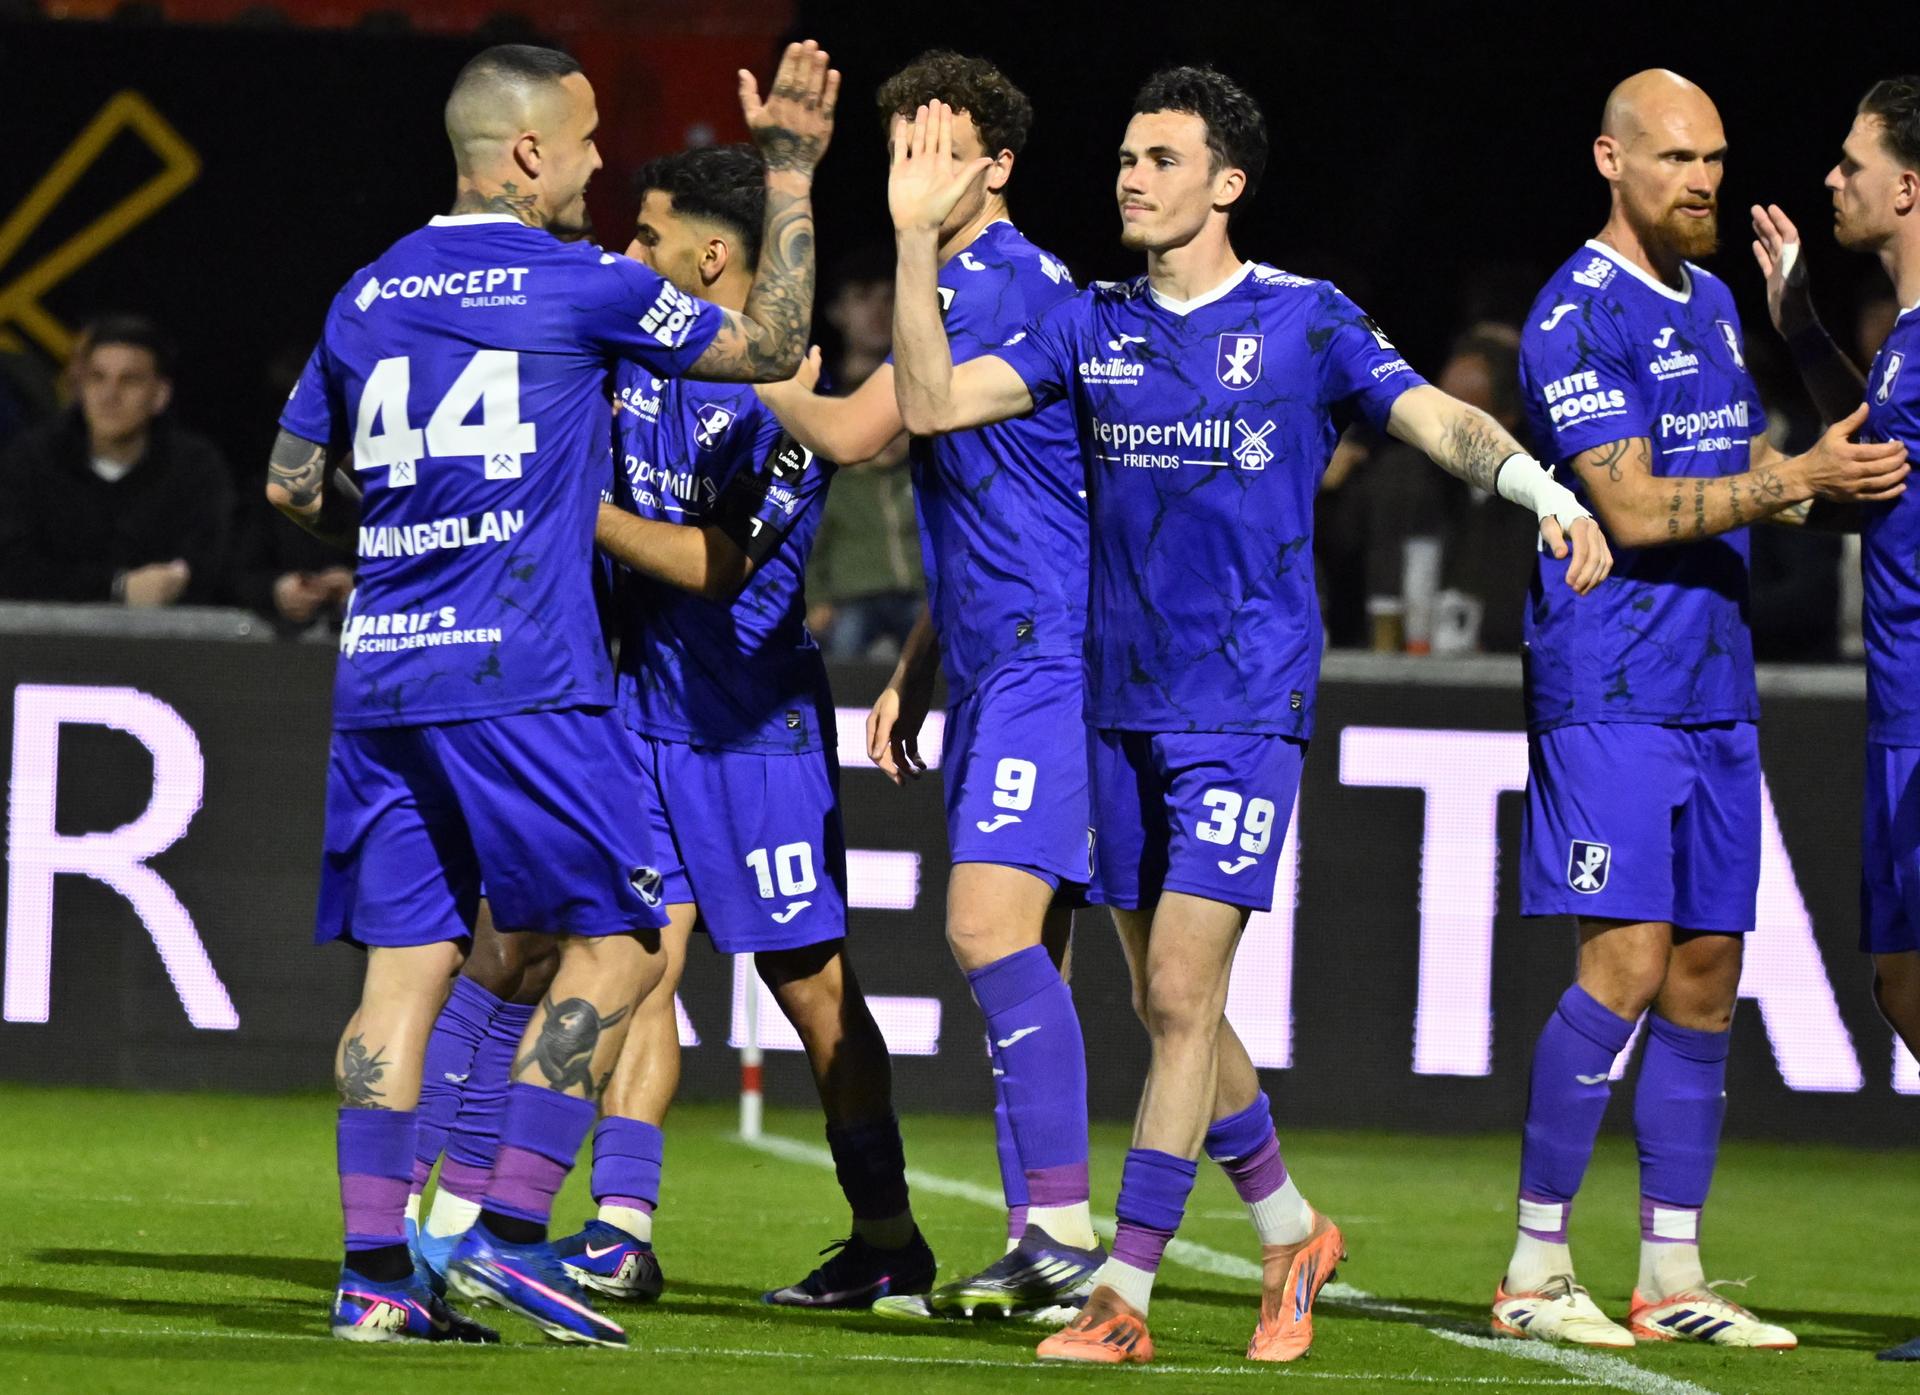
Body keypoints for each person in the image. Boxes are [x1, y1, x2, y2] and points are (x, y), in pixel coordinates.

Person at [886, 68, 1612, 1365]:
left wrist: (1536, 485)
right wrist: (905, 234)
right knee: (1172, 1003)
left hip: (1241, 703)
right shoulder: (1087, 322)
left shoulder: (1302, 320)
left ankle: (1124, 1292)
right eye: (1122, 156)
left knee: (1176, 987)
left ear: (1226, 183)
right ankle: (1290, 1224)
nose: (1129, 177)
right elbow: (931, 405)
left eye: (1159, 157)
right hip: (1117, 702)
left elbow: (1429, 414)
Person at [266, 40, 835, 1347]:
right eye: (584, 138)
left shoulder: (365, 294)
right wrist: (791, 172)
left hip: (384, 676)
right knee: (631, 939)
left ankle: (372, 1277)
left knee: (405, 974)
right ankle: (512, 1231)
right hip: (521, 674)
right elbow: (776, 344)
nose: (597, 162)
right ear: (526, 151)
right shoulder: (579, 285)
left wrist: (407, 548)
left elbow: (294, 486)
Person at [1497, 70, 1905, 1352]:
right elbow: (1623, 507)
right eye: (1677, 159)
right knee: (1621, 964)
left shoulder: (1722, 302)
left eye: (1717, 159)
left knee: (1708, 979)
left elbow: (1738, 480)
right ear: (1610, 160)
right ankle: (1532, 1266)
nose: (1706, 181)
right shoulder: (1572, 315)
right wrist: (1793, 476)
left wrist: (1790, 482)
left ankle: (1670, 1272)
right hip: (1608, 682)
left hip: (1713, 688)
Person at [547, 141, 933, 1309]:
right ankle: (621, 1225)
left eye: (645, 234)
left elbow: (717, 567)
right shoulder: (623, 356)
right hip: (640, 715)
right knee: (638, 964)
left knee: (810, 992)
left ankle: (887, 1235)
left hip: (753, 732)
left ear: (710, 256)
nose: (627, 252)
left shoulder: (787, 397)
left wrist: (577, 511)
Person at [763, 49, 1109, 1320]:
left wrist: (741, 356)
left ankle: (1083, 1234)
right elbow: (997, 496)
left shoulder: (1004, 282)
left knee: (984, 935)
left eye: (939, 148)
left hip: (1050, 658)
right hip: (996, 651)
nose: (912, 170)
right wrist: (922, 657)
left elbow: (864, 435)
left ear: (996, 168)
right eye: (900, 145)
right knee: (1039, 969)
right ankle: (1048, 1253)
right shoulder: (956, 277)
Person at [1750, 72, 1920, 1364]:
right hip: (1898, 707)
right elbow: (1868, 472)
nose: (1834, 178)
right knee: (1901, 982)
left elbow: (1852, 490)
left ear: (1908, 183)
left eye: (1853, 160)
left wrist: (1770, 490)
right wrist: (1799, 319)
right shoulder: (1908, 340)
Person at [0, 314, 232, 606]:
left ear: (160, 395)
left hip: (164, 646)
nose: (109, 395)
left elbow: (216, 569)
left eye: (130, 380)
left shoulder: (196, 468)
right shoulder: (30, 460)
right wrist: (117, 587)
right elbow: (10, 568)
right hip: (45, 646)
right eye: (97, 378)